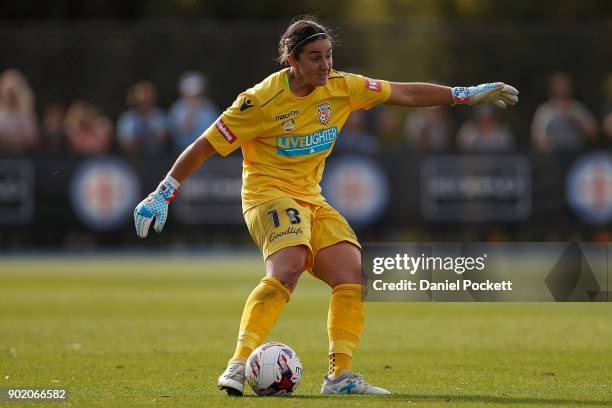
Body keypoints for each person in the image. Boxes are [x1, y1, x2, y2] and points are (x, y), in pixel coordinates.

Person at [133, 16, 519, 396]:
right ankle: (237, 364)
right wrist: (163, 191)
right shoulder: (260, 101)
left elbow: (405, 93)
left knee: (351, 272)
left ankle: (339, 376)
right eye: (316, 57)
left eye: (329, 55)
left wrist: (463, 94)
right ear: (293, 61)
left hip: (311, 198)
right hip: (267, 195)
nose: (326, 66)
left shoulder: (342, 87)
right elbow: (204, 145)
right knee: (289, 265)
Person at [531, 71, 597, 152]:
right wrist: (545, 145)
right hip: (553, 155)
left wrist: (574, 120)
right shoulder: (544, 111)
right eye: (559, 85)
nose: (563, 88)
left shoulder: (578, 108)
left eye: (565, 85)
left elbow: (594, 133)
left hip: (577, 154)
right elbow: (536, 137)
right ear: (552, 88)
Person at [168, 71, 219, 153]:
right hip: (179, 152)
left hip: (206, 154)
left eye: (197, 94)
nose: (194, 97)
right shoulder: (177, 108)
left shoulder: (210, 108)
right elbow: (171, 132)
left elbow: (216, 133)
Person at [117, 81, 168, 155]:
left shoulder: (160, 116)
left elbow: (165, 139)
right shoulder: (127, 119)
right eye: (141, 101)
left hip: (159, 157)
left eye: (148, 100)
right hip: (134, 159)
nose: (145, 104)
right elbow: (126, 144)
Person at [0, 69, 38, 152]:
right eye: (7, 90)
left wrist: (8, 141)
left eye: (12, 90)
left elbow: (33, 138)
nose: (9, 94)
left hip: (19, 155)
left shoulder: (25, 111)